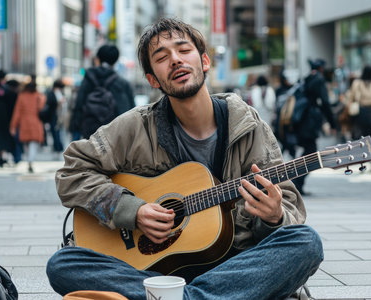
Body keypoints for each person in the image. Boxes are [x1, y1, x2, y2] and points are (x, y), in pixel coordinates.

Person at [46, 18, 323, 299]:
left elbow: (288, 213)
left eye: (183, 50)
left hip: (234, 267)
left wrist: (273, 217)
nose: (175, 60)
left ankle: (180, 296)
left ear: (204, 61)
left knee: (306, 242)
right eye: (162, 57)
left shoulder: (249, 127)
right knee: (63, 264)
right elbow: (71, 173)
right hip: (157, 269)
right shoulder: (134, 127)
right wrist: (133, 210)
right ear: (153, 79)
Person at [70, 43, 136, 139]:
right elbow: (130, 113)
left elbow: (79, 105)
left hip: (90, 134)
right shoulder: (123, 84)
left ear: (97, 59)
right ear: (115, 61)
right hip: (114, 136)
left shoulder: (88, 79)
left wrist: (75, 130)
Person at [292, 59, 336, 195]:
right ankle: (296, 182)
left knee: (308, 152)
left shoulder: (306, 79)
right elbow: (325, 103)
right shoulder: (319, 80)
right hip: (309, 123)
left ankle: (297, 182)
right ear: (321, 68)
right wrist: (333, 123)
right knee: (311, 154)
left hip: (300, 120)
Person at [348, 65, 371, 171]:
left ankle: (362, 162)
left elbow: (351, 98)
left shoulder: (357, 84)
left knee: (362, 138)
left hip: (361, 113)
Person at [9, 78, 46, 173]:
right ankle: (30, 161)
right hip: (36, 123)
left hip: (24, 123)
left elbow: (16, 112)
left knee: (26, 144)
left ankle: (29, 159)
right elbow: (42, 106)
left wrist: (13, 126)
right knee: (33, 143)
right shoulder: (38, 96)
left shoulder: (21, 96)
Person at [44, 79, 66, 156]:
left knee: (58, 132)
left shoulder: (58, 93)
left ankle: (58, 147)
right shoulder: (52, 94)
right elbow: (49, 106)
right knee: (55, 132)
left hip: (58, 116)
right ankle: (57, 148)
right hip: (53, 117)